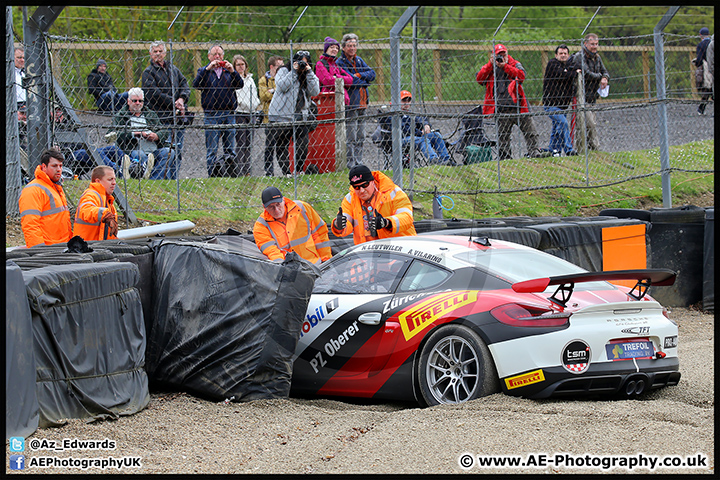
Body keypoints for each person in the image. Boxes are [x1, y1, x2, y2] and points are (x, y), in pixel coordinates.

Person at [476, 44, 551, 160]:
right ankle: (505, 156)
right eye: (498, 55)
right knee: (503, 136)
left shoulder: (514, 63)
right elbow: (479, 79)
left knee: (531, 131)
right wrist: (490, 64)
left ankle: (534, 152)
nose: (501, 57)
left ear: (507, 53)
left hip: (519, 107)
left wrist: (505, 66)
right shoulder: (490, 67)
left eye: (503, 54)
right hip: (501, 108)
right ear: (493, 55)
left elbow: (521, 76)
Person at [192, 44, 244, 177]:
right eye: (214, 54)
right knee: (212, 149)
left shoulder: (228, 72)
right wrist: (207, 69)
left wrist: (233, 71)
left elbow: (240, 85)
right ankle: (212, 175)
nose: (217, 57)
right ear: (209, 56)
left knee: (230, 148)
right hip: (211, 114)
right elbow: (196, 84)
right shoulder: (204, 71)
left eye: (220, 54)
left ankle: (231, 175)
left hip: (229, 113)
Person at [331, 165, 416, 245]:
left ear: (373, 182)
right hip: (368, 253)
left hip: (401, 249)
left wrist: (386, 222)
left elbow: (407, 217)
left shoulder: (393, 193)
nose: (361, 191)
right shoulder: (350, 199)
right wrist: (338, 225)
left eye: (365, 185)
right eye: (356, 187)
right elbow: (346, 223)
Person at [267, 51, 320, 176]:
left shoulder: (307, 75)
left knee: (303, 142)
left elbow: (315, 91)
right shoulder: (284, 71)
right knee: (282, 144)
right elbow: (281, 86)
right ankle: (286, 173)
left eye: (305, 63)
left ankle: (299, 170)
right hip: (281, 115)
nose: (302, 65)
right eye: (300, 62)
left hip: (300, 115)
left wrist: (309, 72)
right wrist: (294, 71)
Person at [141, 40, 191, 170]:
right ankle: (164, 178)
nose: (158, 54)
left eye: (160, 51)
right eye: (155, 52)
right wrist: (174, 102)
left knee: (178, 150)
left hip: (177, 118)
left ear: (165, 53)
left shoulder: (173, 69)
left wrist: (181, 99)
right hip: (161, 118)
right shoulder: (148, 72)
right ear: (150, 54)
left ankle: (175, 179)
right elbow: (153, 94)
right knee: (165, 151)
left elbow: (184, 84)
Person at [253, 186, 331, 265]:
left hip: (315, 265)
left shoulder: (302, 208)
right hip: (290, 272)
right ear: (264, 207)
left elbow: (320, 234)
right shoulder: (261, 226)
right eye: (271, 207)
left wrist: (326, 261)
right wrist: (283, 268)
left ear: (283, 200)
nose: (276, 210)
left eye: (278, 204)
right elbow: (272, 252)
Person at [113, 87, 175, 179]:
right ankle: (146, 177)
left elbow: (164, 130)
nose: (138, 103)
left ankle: (155, 179)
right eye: (135, 101)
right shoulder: (121, 116)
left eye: (140, 101)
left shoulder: (150, 114)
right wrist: (135, 134)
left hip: (153, 149)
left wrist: (157, 136)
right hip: (133, 150)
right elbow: (113, 135)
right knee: (140, 154)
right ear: (128, 101)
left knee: (169, 152)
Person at [18, 147, 73, 247]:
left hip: (61, 246)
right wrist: (39, 251)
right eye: (54, 166)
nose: (59, 170)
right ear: (44, 167)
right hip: (49, 250)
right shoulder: (33, 190)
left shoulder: (55, 188)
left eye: (60, 166)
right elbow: (30, 225)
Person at [336, 33, 376, 169]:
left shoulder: (358, 61)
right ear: (344, 47)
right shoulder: (340, 62)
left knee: (361, 135)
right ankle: (350, 163)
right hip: (351, 104)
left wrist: (359, 75)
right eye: (349, 45)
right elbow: (349, 81)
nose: (352, 48)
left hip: (363, 103)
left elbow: (372, 74)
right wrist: (363, 80)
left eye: (354, 45)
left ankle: (358, 161)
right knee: (351, 136)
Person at [380, 90, 453, 164]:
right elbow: (405, 129)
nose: (406, 103)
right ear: (396, 102)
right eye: (403, 100)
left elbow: (422, 119)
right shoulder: (392, 115)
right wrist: (420, 132)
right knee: (422, 140)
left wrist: (426, 125)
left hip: (415, 137)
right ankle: (434, 160)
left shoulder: (409, 113)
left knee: (436, 135)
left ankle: (446, 160)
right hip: (400, 140)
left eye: (408, 100)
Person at [569, 34, 609, 150]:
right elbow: (587, 74)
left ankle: (589, 149)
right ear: (585, 44)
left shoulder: (597, 57)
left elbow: (605, 71)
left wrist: (605, 78)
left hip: (593, 96)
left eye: (596, 44)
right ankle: (593, 147)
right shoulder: (579, 56)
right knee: (589, 124)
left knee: (591, 124)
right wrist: (601, 76)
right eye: (592, 44)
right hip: (581, 96)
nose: (594, 47)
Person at [542, 44, 579, 157]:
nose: (563, 55)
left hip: (563, 105)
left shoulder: (568, 65)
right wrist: (574, 72)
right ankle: (568, 149)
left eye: (565, 53)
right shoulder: (552, 64)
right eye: (561, 53)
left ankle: (553, 150)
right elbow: (562, 75)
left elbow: (568, 74)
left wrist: (570, 71)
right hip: (551, 104)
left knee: (557, 128)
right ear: (556, 55)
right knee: (563, 123)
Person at [232, 54, 261, 176]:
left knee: (249, 143)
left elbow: (254, 94)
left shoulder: (250, 79)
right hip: (240, 112)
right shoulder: (234, 79)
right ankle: (239, 169)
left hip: (252, 113)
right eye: (238, 65)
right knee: (241, 142)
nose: (240, 67)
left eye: (242, 64)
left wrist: (255, 105)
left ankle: (247, 170)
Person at [73, 166, 119, 241]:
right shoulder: (91, 194)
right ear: (97, 181)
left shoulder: (107, 200)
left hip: (98, 247)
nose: (114, 183)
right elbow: (86, 210)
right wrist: (105, 214)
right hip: (86, 248)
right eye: (110, 179)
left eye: (114, 179)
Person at [259, 56, 284, 176]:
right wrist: (277, 91)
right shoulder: (264, 80)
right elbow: (264, 96)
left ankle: (285, 171)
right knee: (269, 146)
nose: (281, 69)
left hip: (283, 117)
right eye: (279, 66)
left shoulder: (284, 78)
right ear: (272, 67)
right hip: (269, 118)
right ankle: (268, 171)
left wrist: (273, 91)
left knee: (282, 146)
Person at [316, 36, 354, 106]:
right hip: (328, 102)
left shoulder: (336, 66)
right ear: (326, 49)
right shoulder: (320, 64)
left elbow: (350, 80)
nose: (335, 49)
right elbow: (328, 81)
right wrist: (342, 81)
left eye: (337, 48)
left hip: (343, 102)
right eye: (332, 47)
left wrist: (336, 76)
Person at [693, 27, 713, 115]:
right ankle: (701, 109)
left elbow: (700, 58)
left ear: (700, 35)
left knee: (707, 87)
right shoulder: (712, 43)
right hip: (713, 65)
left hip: (707, 67)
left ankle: (701, 109)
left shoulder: (701, 45)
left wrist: (697, 63)